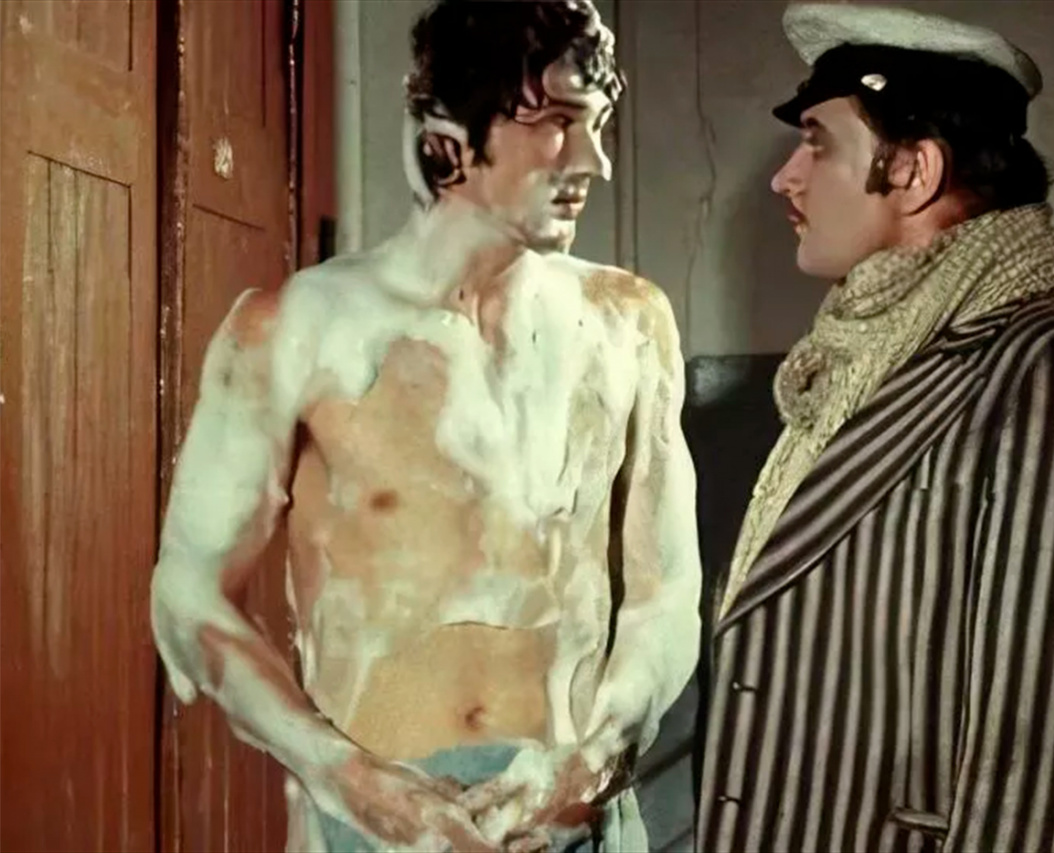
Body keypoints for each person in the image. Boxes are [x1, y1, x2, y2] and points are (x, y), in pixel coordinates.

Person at [149, 2, 701, 851]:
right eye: (557, 124)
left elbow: (667, 595)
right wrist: (347, 778)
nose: (591, 160)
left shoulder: (628, 323)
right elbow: (188, 592)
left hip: (577, 820)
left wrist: (598, 760)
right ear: (451, 138)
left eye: (596, 126)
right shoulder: (292, 331)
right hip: (377, 824)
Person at [697, 4, 1054, 852]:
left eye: (817, 143)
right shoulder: (852, 363)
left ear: (913, 169)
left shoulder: (1045, 370)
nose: (785, 178)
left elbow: (1041, 752)